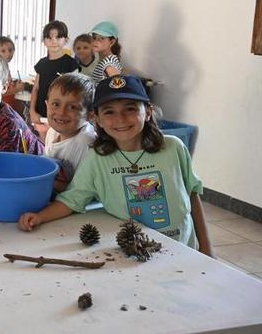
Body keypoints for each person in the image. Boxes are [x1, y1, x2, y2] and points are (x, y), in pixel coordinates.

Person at [19, 75, 212, 257]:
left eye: (130, 109)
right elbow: (71, 200)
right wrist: (39, 217)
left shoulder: (172, 148)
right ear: (98, 120)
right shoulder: (98, 158)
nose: (120, 119)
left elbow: (192, 194)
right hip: (133, 252)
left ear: (148, 112)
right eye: (109, 112)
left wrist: (206, 248)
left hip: (184, 249)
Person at [43, 73, 97, 193]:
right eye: (56, 104)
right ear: (47, 105)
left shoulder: (86, 142)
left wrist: (41, 180)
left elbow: (83, 191)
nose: (61, 112)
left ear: (90, 115)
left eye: (72, 107)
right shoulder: (52, 132)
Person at [29, 21, 79, 133]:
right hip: (41, 113)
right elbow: (36, 88)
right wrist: (32, 111)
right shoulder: (41, 63)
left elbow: (75, 94)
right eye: (49, 38)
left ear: (66, 40)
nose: (53, 41)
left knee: (58, 146)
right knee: (44, 147)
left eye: (58, 37)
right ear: (44, 41)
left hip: (61, 116)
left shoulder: (71, 64)